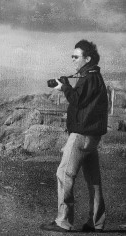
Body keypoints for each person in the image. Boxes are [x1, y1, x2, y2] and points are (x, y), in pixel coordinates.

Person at [41, 40, 108, 233]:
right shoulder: (95, 76)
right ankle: (97, 222)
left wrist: (64, 88)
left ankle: (63, 221)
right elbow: (84, 99)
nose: (72, 60)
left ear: (87, 58)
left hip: (81, 134)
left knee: (63, 175)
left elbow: (77, 100)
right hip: (93, 136)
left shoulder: (88, 78)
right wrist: (68, 85)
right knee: (93, 180)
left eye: (76, 56)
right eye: (72, 56)